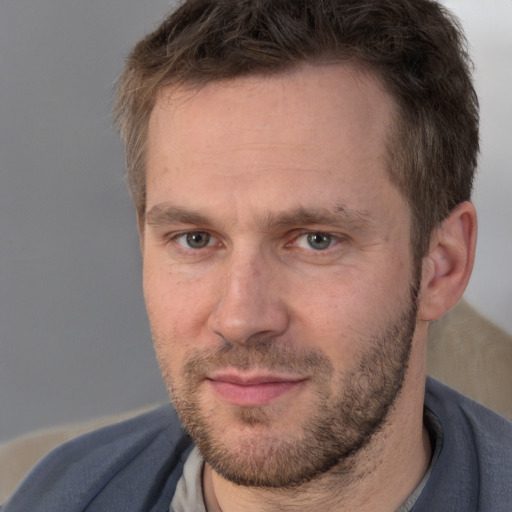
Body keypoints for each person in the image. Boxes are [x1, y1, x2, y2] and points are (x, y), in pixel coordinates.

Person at [2, 0, 511, 510]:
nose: (241, 318)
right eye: (195, 239)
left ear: (442, 264)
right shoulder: (56, 495)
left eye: (315, 240)